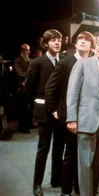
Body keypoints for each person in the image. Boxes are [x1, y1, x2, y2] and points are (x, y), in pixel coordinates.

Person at [66, 33, 99, 196]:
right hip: (85, 122)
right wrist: (72, 119)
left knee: (98, 164)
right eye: (98, 43)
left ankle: (92, 191)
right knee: (85, 165)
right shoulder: (82, 64)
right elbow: (73, 92)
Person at [45, 31, 95, 196]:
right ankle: (66, 191)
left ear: (91, 46)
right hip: (70, 118)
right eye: (80, 39)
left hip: (88, 118)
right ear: (75, 44)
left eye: (87, 40)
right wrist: (55, 111)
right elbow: (50, 89)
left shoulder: (94, 64)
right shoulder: (65, 64)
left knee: (84, 156)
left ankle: (80, 188)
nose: (82, 41)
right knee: (70, 155)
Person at [25, 29, 65, 196]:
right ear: (46, 43)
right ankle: (37, 184)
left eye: (59, 40)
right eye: (53, 40)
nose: (57, 42)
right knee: (43, 149)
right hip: (45, 114)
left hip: (61, 113)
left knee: (58, 149)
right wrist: (40, 105)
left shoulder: (64, 61)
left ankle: (56, 179)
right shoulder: (37, 63)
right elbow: (28, 89)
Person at [14, 43, 32, 133]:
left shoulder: (30, 60)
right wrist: (30, 76)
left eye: (28, 50)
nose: (27, 51)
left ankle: (28, 124)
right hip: (21, 87)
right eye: (25, 50)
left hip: (29, 86)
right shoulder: (18, 60)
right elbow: (20, 73)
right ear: (21, 50)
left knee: (29, 107)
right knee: (22, 108)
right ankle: (22, 127)